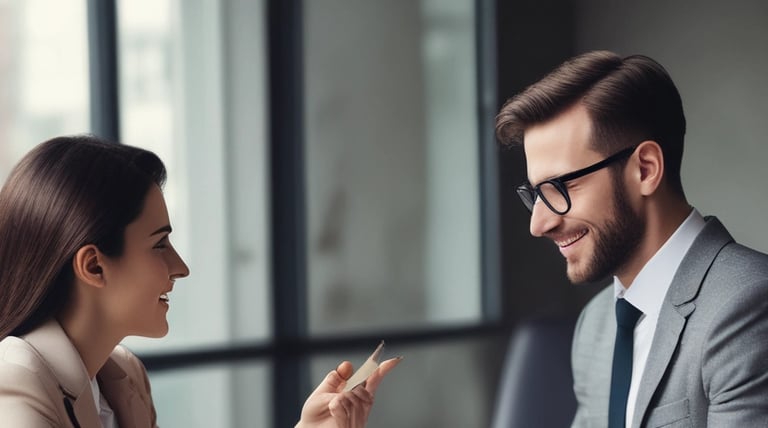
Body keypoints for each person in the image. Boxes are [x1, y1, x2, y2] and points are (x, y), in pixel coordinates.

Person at [0, 135, 400, 427]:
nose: (180, 267)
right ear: (94, 266)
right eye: (160, 245)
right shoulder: (16, 384)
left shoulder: (123, 375)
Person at [495, 50, 768, 427]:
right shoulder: (596, 324)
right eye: (536, 194)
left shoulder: (749, 304)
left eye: (560, 186)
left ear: (645, 169)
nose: (538, 224)